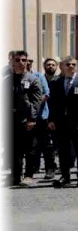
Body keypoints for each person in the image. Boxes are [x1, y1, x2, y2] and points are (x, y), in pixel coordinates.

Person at [49, 57, 78, 188]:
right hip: (61, 122)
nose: (71, 67)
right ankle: (65, 176)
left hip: (77, 123)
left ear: (77, 67)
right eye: (68, 64)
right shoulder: (57, 83)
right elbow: (53, 103)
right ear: (62, 66)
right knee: (63, 150)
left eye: (73, 64)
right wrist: (51, 120)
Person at [8, 51, 44, 187]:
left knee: (29, 149)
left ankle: (28, 175)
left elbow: (36, 101)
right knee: (13, 149)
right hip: (11, 119)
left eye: (24, 60)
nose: (21, 63)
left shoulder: (32, 79)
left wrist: (32, 119)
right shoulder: (7, 79)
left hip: (27, 120)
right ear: (12, 61)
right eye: (17, 60)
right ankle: (15, 176)